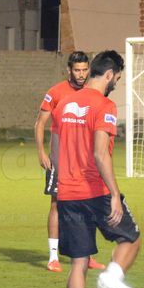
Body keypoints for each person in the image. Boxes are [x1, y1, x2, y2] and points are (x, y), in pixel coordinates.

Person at [52, 50, 144, 288]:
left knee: (78, 263)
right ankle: (112, 278)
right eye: (118, 77)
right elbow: (100, 153)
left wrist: (61, 179)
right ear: (109, 74)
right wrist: (115, 194)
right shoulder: (105, 105)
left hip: (68, 193)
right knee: (131, 238)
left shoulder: (64, 103)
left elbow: (55, 146)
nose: (116, 82)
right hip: (96, 191)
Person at [34, 51, 104, 272]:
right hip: (60, 160)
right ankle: (53, 257)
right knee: (56, 204)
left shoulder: (93, 93)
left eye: (84, 70)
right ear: (69, 70)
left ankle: (87, 255)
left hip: (85, 161)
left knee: (89, 204)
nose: (81, 74)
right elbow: (40, 123)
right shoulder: (55, 92)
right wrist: (41, 152)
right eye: (77, 70)